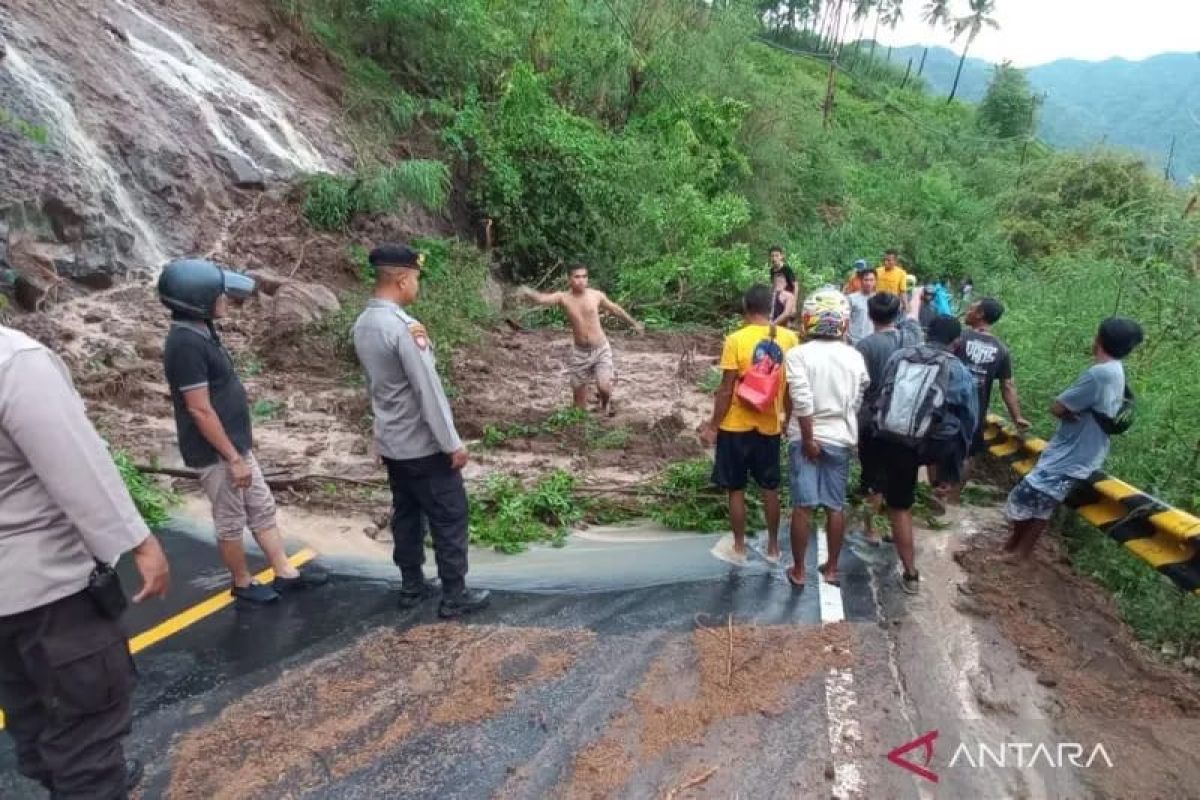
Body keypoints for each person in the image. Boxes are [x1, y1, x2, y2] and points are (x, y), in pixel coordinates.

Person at [1, 323, 171, 798]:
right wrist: (139, 541)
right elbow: (77, 465)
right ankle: (88, 783)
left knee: (29, 707)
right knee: (87, 720)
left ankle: (67, 783)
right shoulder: (14, 361)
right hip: (48, 587)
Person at [159, 259, 328, 605]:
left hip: (234, 446)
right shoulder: (185, 344)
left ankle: (285, 572)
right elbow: (199, 409)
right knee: (231, 518)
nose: (225, 300)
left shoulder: (201, 330)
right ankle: (243, 582)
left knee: (261, 506)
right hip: (217, 452)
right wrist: (232, 458)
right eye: (219, 295)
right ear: (198, 301)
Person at [353, 243, 491, 617]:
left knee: (407, 515)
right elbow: (428, 391)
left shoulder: (363, 323)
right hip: (424, 447)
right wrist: (452, 444)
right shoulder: (403, 328)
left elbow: (375, 389)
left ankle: (412, 587)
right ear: (401, 279)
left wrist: (379, 435)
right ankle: (454, 595)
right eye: (416, 278)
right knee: (449, 516)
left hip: (394, 445)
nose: (417, 286)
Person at [1004, 318, 1144, 560]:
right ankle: (1015, 549)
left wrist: (1068, 411)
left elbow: (1058, 407)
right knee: (1042, 502)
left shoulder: (1098, 373)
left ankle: (1018, 553)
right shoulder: (1116, 370)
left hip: (1073, 452)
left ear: (1099, 339)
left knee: (1029, 496)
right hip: (1085, 449)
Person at [873, 315, 978, 593]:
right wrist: (955, 464)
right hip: (933, 445)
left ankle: (910, 573)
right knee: (946, 435)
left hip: (895, 440)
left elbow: (883, 396)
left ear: (926, 332)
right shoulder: (959, 371)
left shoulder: (899, 356)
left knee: (900, 504)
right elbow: (969, 421)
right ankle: (940, 485)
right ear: (956, 343)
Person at [700, 285, 799, 562]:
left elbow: (726, 389)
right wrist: (786, 420)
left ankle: (740, 546)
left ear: (745, 307)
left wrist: (713, 426)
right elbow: (790, 388)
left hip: (735, 425)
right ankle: (773, 548)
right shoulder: (790, 339)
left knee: (737, 489)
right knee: (770, 488)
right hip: (769, 426)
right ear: (771, 309)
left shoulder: (735, 340)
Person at [784, 288, 869, 589]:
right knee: (835, 505)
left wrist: (808, 438)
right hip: (840, 437)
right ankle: (832, 568)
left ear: (808, 319)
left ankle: (798, 570)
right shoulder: (855, 357)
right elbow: (857, 400)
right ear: (844, 322)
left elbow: (801, 400)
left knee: (803, 506)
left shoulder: (797, 355)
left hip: (804, 437)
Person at [515, 264, 643, 415]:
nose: (581, 280)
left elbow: (616, 310)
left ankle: (604, 404)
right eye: (577, 277)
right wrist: (527, 291)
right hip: (580, 353)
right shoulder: (563, 298)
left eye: (584, 276)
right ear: (569, 279)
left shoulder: (596, 295)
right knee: (578, 409)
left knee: (604, 387)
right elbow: (542, 299)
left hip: (601, 349)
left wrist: (634, 323)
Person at [853, 293, 923, 545]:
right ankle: (897, 529)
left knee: (873, 476)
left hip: (873, 420)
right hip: (906, 420)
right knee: (901, 476)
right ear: (897, 314)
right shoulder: (912, 339)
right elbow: (914, 315)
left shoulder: (865, 346)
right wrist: (913, 302)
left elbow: (859, 388)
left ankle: (870, 530)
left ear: (870, 316)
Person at [953, 298, 1030, 497]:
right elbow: (1007, 385)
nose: (968, 310)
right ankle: (951, 498)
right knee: (968, 454)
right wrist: (1017, 416)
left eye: (972, 307)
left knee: (938, 447)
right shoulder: (1001, 349)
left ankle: (935, 492)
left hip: (949, 405)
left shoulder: (959, 338)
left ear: (980, 314)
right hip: (975, 412)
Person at [846, 266, 876, 345]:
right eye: (866, 280)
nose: (868, 283)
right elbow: (845, 320)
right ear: (860, 281)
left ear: (875, 281)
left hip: (871, 340)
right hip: (854, 341)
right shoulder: (851, 298)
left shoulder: (878, 299)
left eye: (871, 280)